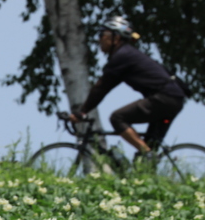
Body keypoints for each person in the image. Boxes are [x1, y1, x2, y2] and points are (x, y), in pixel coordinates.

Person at [67, 16, 186, 157]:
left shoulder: (122, 56)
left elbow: (101, 88)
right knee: (145, 157)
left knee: (117, 118)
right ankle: (147, 163)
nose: (99, 39)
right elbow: (106, 87)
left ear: (115, 38)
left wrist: (83, 112)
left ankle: (147, 154)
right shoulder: (126, 55)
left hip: (165, 98)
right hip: (174, 99)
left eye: (102, 35)